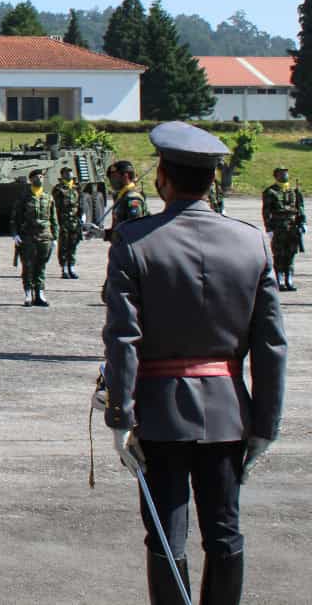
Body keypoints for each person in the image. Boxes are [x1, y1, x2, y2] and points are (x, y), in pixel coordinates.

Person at [102, 122, 285, 605]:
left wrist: (120, 415)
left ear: (162, 176)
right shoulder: (251, 243)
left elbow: (123, 337)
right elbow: (270, 345)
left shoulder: (136, 240)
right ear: (213, 181)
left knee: (167, 534)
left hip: (160, 414)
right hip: (228, 412)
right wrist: (265, 424)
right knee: (225, 531)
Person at [11, 168, 58, 306]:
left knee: (41, 266)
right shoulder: (24, 198)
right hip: (28, 237)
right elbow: (15, 218)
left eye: (42, 177)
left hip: (45, 236)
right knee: (28, 266)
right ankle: (27, 293)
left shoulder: (48, 197)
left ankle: (40, 294)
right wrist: (15, 234)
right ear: (31, 180)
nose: (40, 179)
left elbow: (54, 218)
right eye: (37, 177)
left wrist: (55, 237)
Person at [260, 166, 304, 291]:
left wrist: (302, 223)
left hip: (292, 227)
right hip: (278, 228)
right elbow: (266, 211)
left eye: (286, 173)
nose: (284, 175)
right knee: (279, 254)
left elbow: (300, 208)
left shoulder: (294, 191)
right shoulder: (270, 192)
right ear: (276, 176)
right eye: (281, 173)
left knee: (291, 253)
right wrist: (269, 229)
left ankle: (289, 279)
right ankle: (279, 280)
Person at [52, 165, 84, 279]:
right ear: (63, 175)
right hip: (64, 220)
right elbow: (55, 206)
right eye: (67, 173)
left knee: (74, 244)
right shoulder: (58, 189)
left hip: (75, 220)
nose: (70, 174)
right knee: (64, 245)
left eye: (71, 172)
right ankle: (64, 268)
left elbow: (81, 202)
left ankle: (72, 267)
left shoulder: (76, 187)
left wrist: (82, 215)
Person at [105, 160, 148, 242]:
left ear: (125, 176)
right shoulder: (121, 197)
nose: (111, 181)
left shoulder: (132, 199)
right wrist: (102, 233)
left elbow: (134, 230)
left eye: (114, 177)